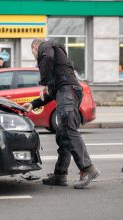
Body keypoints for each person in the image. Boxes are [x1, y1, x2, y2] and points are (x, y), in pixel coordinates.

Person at [23, 39, 100, 189]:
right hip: (67, 91)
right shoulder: (55, 67)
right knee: (63, 134)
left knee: (68, 129)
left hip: (68, 92)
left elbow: (48, 57)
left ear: (34, 47)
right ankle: (60, 175)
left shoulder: (46, 46)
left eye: (34, 52)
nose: (36, 57)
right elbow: (51, 93)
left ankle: (88, 168)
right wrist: (33, 104)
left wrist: (43, 83)